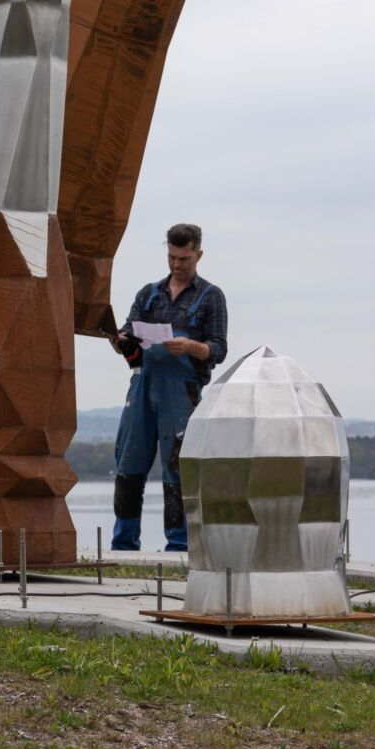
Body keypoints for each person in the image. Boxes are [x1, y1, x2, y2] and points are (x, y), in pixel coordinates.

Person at [110, 223, 228, 551]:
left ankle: (178, 546)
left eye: (185, 259)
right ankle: (123, 544)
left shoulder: (211, 297)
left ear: (198, 255)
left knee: (177, 470)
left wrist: (190, 346)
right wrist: (121, 341)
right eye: (172, 257)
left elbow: (218, 349)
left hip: (183, 392)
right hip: (142, 387)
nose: (177, 264)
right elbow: (127, 338)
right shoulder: (148, 294)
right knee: (128, 466)